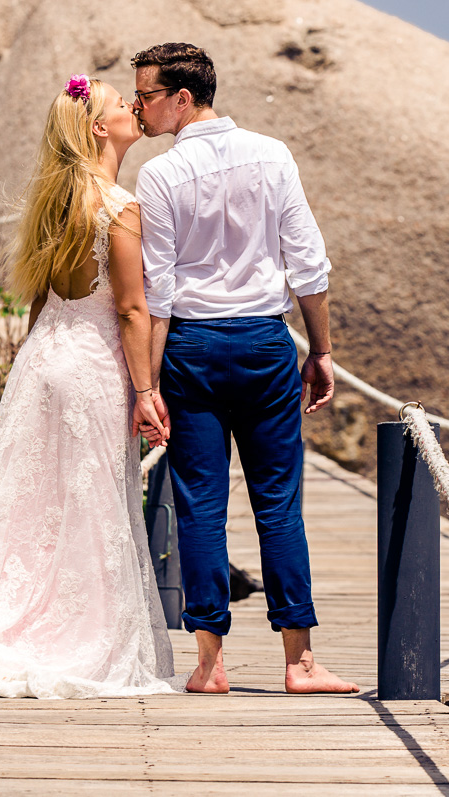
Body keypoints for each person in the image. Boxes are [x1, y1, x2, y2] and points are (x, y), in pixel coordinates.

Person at [0, 74, 175, 699]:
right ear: (99, 128)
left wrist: (33, 364)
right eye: (119, 104)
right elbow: (132, 310)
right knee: (92, 501)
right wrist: (145, 391)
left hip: (45, 357)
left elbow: (39, 299)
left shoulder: (55, 201)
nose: (134, 107)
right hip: (94, 365)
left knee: (35, 501)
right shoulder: (118, 206)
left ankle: (10, 620)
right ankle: (76, 635)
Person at [131, 42, 360, 695]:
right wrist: (321, 351)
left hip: (193, 350)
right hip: (264, 344)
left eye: (147, 94)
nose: (139, 106)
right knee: (279, 503)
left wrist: (147, 386)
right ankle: (300, 662)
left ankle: (209, 665)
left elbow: (162, 295)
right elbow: (308, 264)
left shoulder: (160, 176)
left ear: (182, 97)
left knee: (200, 505)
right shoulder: (272, 154)